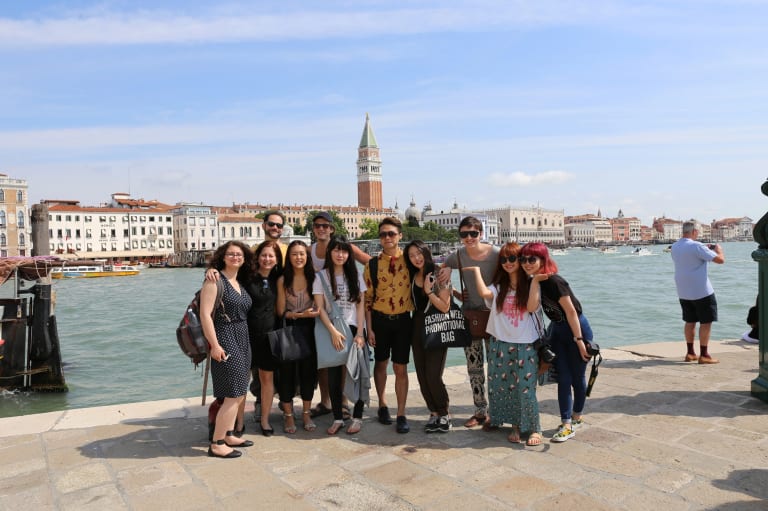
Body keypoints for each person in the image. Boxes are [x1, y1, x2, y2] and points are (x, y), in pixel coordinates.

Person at [469, 242, 543, 446]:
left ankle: (534, 427)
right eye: (504, 259)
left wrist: (536, 281)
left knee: (525, 388)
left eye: (513, 258)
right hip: (500, 343)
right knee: (501, 386)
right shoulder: (499, 287)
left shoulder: (531, 284)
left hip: (525, 344)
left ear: (521, 260)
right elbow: (485, 294)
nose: (508, 263)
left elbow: (532, 307)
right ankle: (512, 424)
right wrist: (476, 270)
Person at [522, 242, 592, 443]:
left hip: (577, 327)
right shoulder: (534, 282)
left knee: (578, 376)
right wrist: (534, 282)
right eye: (523, 259)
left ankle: (577, 416)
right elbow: (531, 307)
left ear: (543, 260)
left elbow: (571, 312)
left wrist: (579, 340)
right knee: (564, 377)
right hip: (557, 330)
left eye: (532, 259)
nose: (527, 263)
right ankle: (566, 423)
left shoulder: (555, 282)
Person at [438, 216, 500, 428]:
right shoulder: (458, 255)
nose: (469, 238)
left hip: (495, 318)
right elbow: (440, 269)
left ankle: (496, 412)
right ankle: (479, 411)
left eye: (473, 233)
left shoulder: (496, 254)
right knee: (474, 369)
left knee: (495, 368)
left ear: (481, 234)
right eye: (464, 234)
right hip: (470, 317)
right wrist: (453, 287)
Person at [308, 211, 371, 419]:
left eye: (325, 226)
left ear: (332, 228)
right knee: (326, 362)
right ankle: (328, 402)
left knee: (348, 364)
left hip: (349, 319)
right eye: (318, 225)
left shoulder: (346, 249)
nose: (321, 228)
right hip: (322, 315)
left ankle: (344, 404)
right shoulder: (309, 252)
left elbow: (370, 263)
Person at [200, 241, 255, 458]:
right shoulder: (214, 279)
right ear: (223, 257)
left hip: (242, 337)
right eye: (231, 254)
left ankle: (228, 433)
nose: (235, 257)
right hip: (224, 337)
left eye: (239, 254)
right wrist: (214, 345)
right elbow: (205, 315)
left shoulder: (238, 282)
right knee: (232, 394)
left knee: (240, 392)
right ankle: (217, 443)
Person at [364, 217, 414, 433]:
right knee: (381, 363)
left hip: (403, 320)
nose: (387, 238)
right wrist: (369, 329)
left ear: (400, 236)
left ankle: (401, 412)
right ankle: (382, 404)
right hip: (380, 320)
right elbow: (367, 299)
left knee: (401, 367)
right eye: (383, 234)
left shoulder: (410, 262)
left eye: (391, 233)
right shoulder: (372, 265)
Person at [405, 240, 453, 433]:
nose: (416, 258)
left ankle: (444, 413)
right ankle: (433, 412)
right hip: (416, 327)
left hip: (436, 326)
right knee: (422, 375)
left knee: (433, 374)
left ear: (426, 252)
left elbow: (445, 306)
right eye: (411, 255)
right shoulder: (412, 274)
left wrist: (427, 292)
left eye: (419, 253)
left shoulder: (438, 272)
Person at [275, 240, 320, 433]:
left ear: (307, 256)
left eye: (302, 253)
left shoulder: (315, 278)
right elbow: (280, 311)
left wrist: (312, 314)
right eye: (294, 254)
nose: (298, 257)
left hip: (311, 329)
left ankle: (306, 413)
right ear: (289, 257)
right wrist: (300, 315)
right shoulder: (282, 280)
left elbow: (320, 306)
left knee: (308, 373)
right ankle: (288, 415)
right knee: (286, 374)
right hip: (290, 328)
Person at [671, 221, 726, 364]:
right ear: (694, 231)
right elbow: (720, 260)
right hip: (701, 290)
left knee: (690, 321)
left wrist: (705, 249)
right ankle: (704, 355)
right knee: (706, 322)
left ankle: (690, 353)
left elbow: (691, 257)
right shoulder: (697, 246)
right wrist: (718, 249)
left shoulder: (675, 246)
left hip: (683, 290)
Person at [246, 240, 283, 436]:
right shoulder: (247, 277)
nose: (267, 259)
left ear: (276, 259)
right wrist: (212, 271)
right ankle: (236, 423)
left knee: (267, 379)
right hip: (247, 336)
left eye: (271, 256)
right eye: (264, 255)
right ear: (257, 257)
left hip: (270, 337)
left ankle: (265, 420)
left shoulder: (280, 278)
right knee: (242, 379)